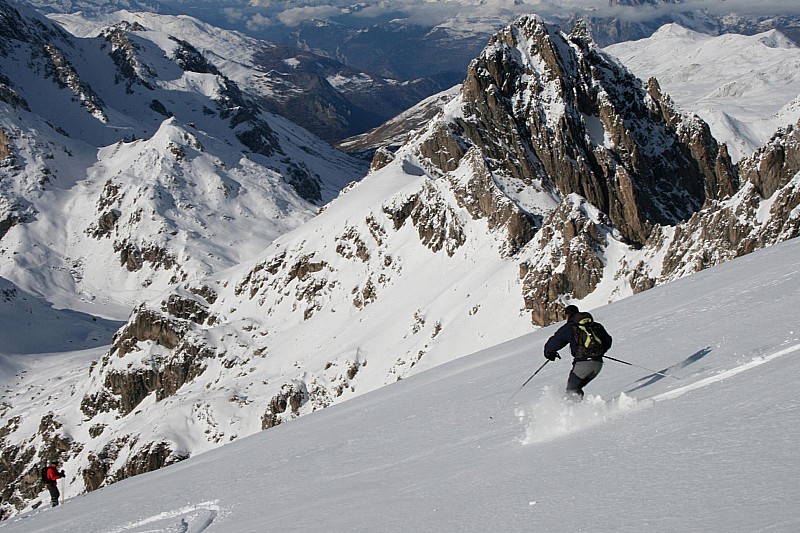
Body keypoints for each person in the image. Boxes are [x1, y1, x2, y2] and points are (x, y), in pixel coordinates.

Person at [543, 305, 612, 399]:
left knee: (572, 390)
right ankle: (579, 409)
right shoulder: (595, 325)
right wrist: (596, 352)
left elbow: (554, 342)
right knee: (576, 389)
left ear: (567, 315)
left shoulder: (569, 327)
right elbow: (608, 341)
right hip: (598, 364)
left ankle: (574, 411)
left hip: (582, 365)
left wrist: (549, 353)